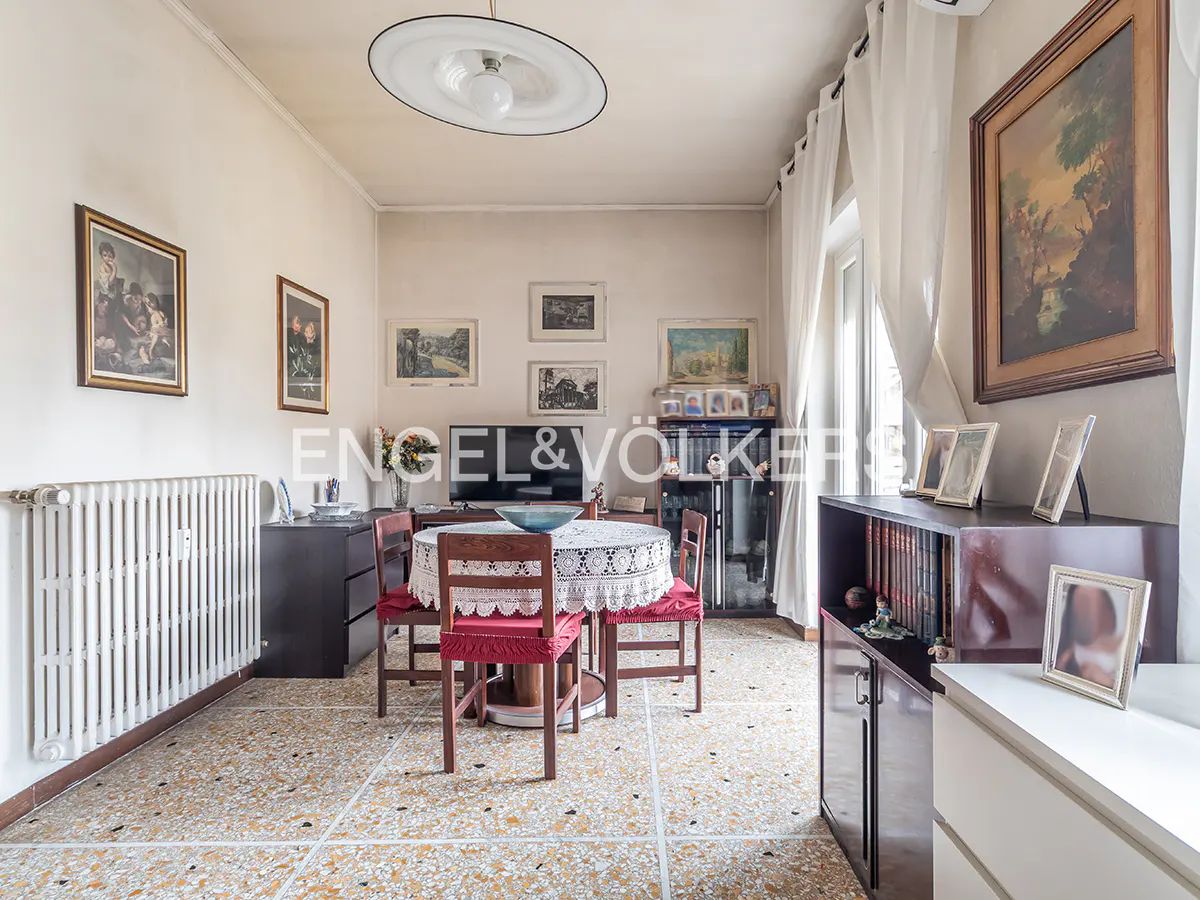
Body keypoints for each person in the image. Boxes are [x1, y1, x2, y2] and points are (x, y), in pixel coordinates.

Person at [1054, 583, 1123, 689]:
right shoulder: (1068, 649)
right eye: (1081, 602)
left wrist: (1105, 681)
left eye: (1090, 602)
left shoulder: (1124, 645)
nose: (1086, 609)